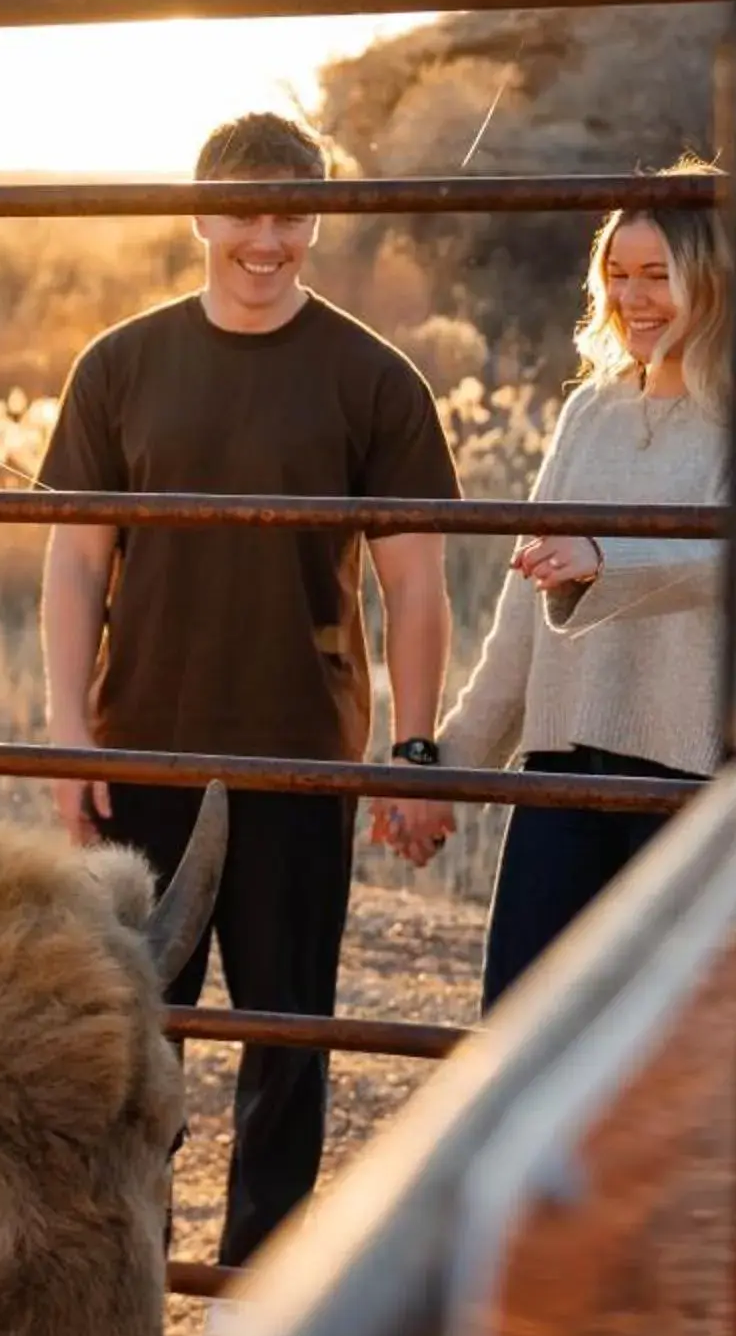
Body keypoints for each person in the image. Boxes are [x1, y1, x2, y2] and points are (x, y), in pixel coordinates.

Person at [38, 108, 460, 1268]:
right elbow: (75, 565)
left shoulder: (374, 379)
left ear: (320, 218)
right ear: (198, 214)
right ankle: (128, 1278)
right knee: (135, 1038)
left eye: (292, 215)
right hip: (142, 754)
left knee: (288, 1041)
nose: (266, 241)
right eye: (242, 213)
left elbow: (416, 587)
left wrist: (414, 749)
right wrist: (69, 739)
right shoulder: (120, 365)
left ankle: (257, 1294)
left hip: (299, 757)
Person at [438, 169, 736, 1007]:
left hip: (695, 772)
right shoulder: (591, 408)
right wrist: (450, 768)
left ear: (723, 278)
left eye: (659, 274)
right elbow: (522, 613)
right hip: (560, 770)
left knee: (659, 1045)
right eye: (618, 275)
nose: (632, 298)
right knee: (518, 1026)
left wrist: (601, 556)